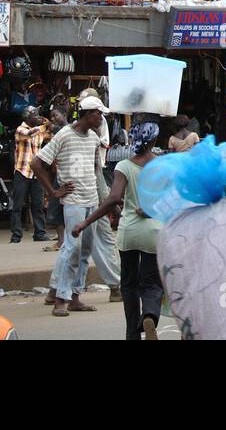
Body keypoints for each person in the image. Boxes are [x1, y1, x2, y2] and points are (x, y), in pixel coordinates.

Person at [72, 122, 164, 340]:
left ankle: (132, 334)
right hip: (153, 233)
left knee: (129, 285)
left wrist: (86, 223)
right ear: (153, 142)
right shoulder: (162, 166)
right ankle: (149, 315)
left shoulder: (123, 166)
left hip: (129, 232)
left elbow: (113, 198)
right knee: (151, 283)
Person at [34, 100, 109, 317]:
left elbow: (96, 170)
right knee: (71, 249)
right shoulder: (64, 135)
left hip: (91, 200)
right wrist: (53, 192)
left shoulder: (94, 138)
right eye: (98, 114)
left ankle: (75, 297)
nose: (101, 119)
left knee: (85, 251)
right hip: (74, 201)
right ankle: (61, 299)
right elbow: (37, 164)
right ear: (87, 114)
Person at [10, 111, 51, 244]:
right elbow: (29, 134)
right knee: (17, 205)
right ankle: (16, 235)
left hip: (36, 173)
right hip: (22, 171)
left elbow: (51, 137)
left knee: (38, 204)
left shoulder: (39, 132)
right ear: (27, 118)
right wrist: (45, 125)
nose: (38, 117)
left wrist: (47, 124)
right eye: (35, 115)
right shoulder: (21, 130)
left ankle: (40, 233)